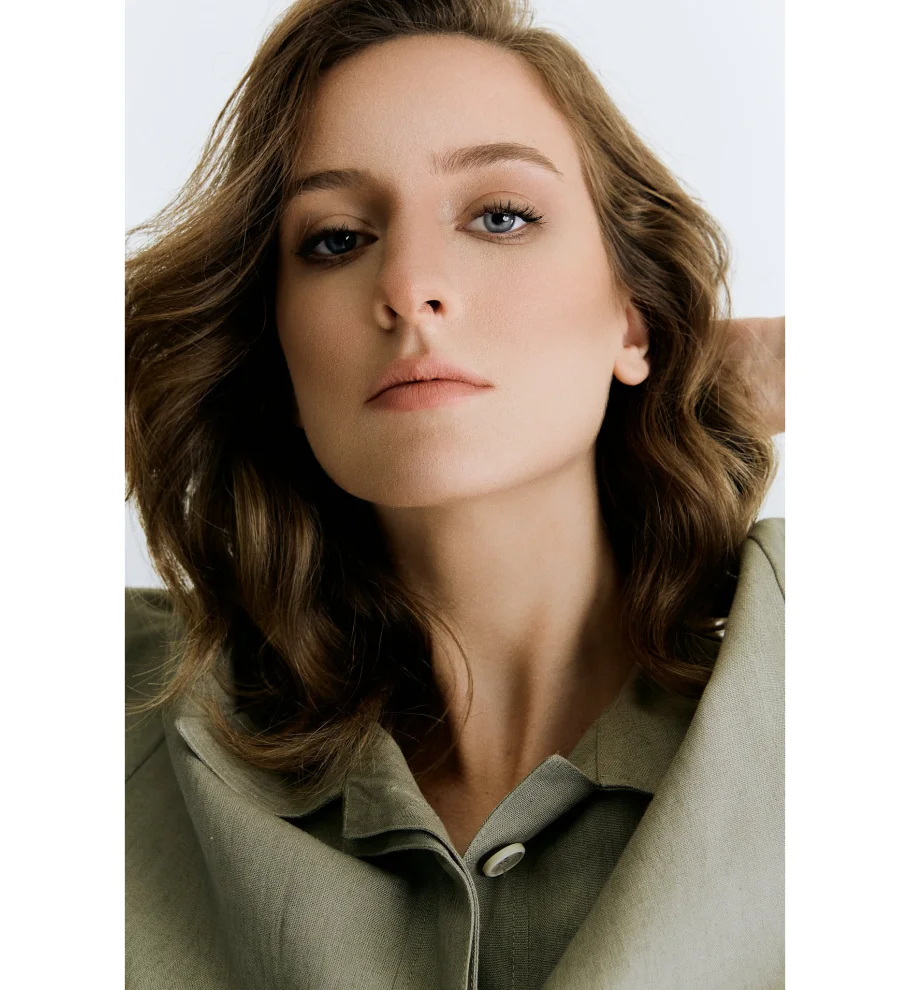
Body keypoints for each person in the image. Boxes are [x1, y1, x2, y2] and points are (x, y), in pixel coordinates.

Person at [125, 1, 784, 987]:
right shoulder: (133, 713)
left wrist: (754, 368)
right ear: (278, 350)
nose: (409, 286)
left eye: (500, 216)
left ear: (635, 316)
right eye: (337, 239)